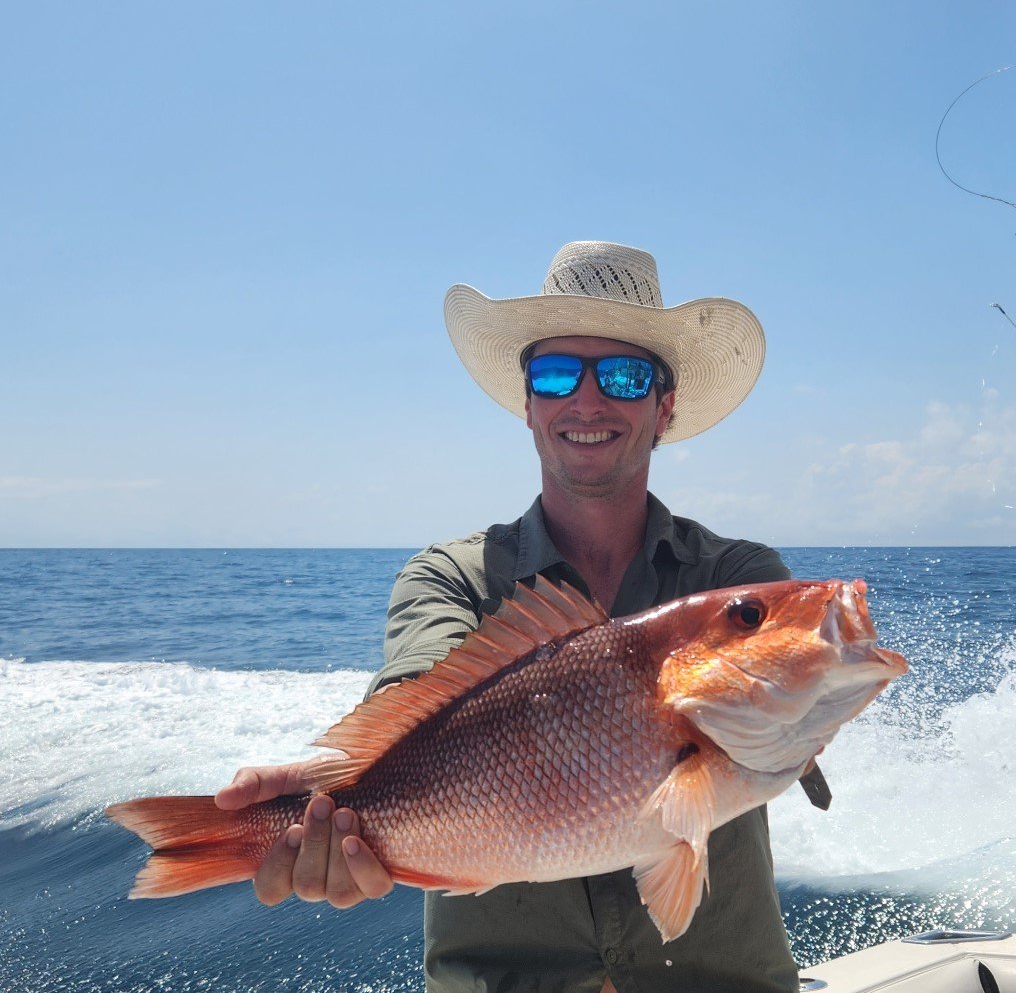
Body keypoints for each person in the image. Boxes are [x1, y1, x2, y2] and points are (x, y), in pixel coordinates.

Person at [216, 242, 827, 992]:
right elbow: (414, 688)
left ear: (664, 408)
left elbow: (782, 711)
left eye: (627, 376)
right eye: (557, 373)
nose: (589, 400)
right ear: (528, 403)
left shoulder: (738, 583)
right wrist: (335, 787)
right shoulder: (450, 578)